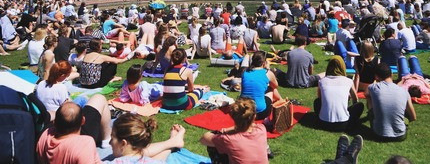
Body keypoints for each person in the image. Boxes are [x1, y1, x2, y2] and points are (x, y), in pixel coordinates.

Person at [36, 98, 185, 163]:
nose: (110, 140)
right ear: (82, 121)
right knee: (137, 156)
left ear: (55, 123)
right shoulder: (84, 143)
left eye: (112, 137)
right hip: (133, 157)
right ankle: (172, 143)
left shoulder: (44, 137)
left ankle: (172, 143)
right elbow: (135, 156)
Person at [200, 97, 269, 164]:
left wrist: (223, 131)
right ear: (254, 116)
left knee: (214, 143)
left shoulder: (229, 139)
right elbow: (250, 126)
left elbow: (204, 139)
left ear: (232, 117)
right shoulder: (261, 129)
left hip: (227, 139)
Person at [365, 63, 416, 141]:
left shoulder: (373, 87)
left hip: (379, 134)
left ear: (376, 76)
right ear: (391, 74)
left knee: (369, 99)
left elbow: (366, 94)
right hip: (400, 135)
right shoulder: (403, 91)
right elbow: (413, 117)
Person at [314, 56, 363, 131]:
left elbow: (320, 99)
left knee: (317, 102)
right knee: (359, 106)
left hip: (323, 123)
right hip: (343, 124)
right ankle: (351, 122)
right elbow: (355, 100)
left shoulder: (322, 81)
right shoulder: (348, 81)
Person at [240, 51, 281, 120]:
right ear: (264, 62)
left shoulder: (244, 72)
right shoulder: (267, 73)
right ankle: (281, 101)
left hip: (243, 110)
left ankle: (281, 100)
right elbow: (275, 86)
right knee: (270, 88)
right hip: (260, 112)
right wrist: (268, 68)